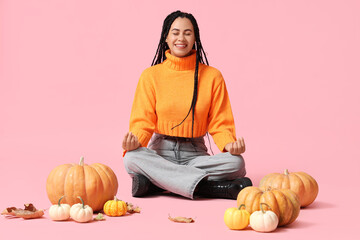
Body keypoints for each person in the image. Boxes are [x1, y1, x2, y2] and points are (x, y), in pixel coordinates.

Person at [122, 10, 252, 200]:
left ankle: (158, 183)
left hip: (196, 152)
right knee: (131, 158)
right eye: (175, 32)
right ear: (165, 37)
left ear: (195, 38)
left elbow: (220, 123)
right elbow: (142, 121)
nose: (181, 38)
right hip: (160, 151)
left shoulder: (213, 76)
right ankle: (211, 189)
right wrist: (135, 142)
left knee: (236, 163)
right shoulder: (150, 76)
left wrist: (229, 144)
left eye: (187, 33)